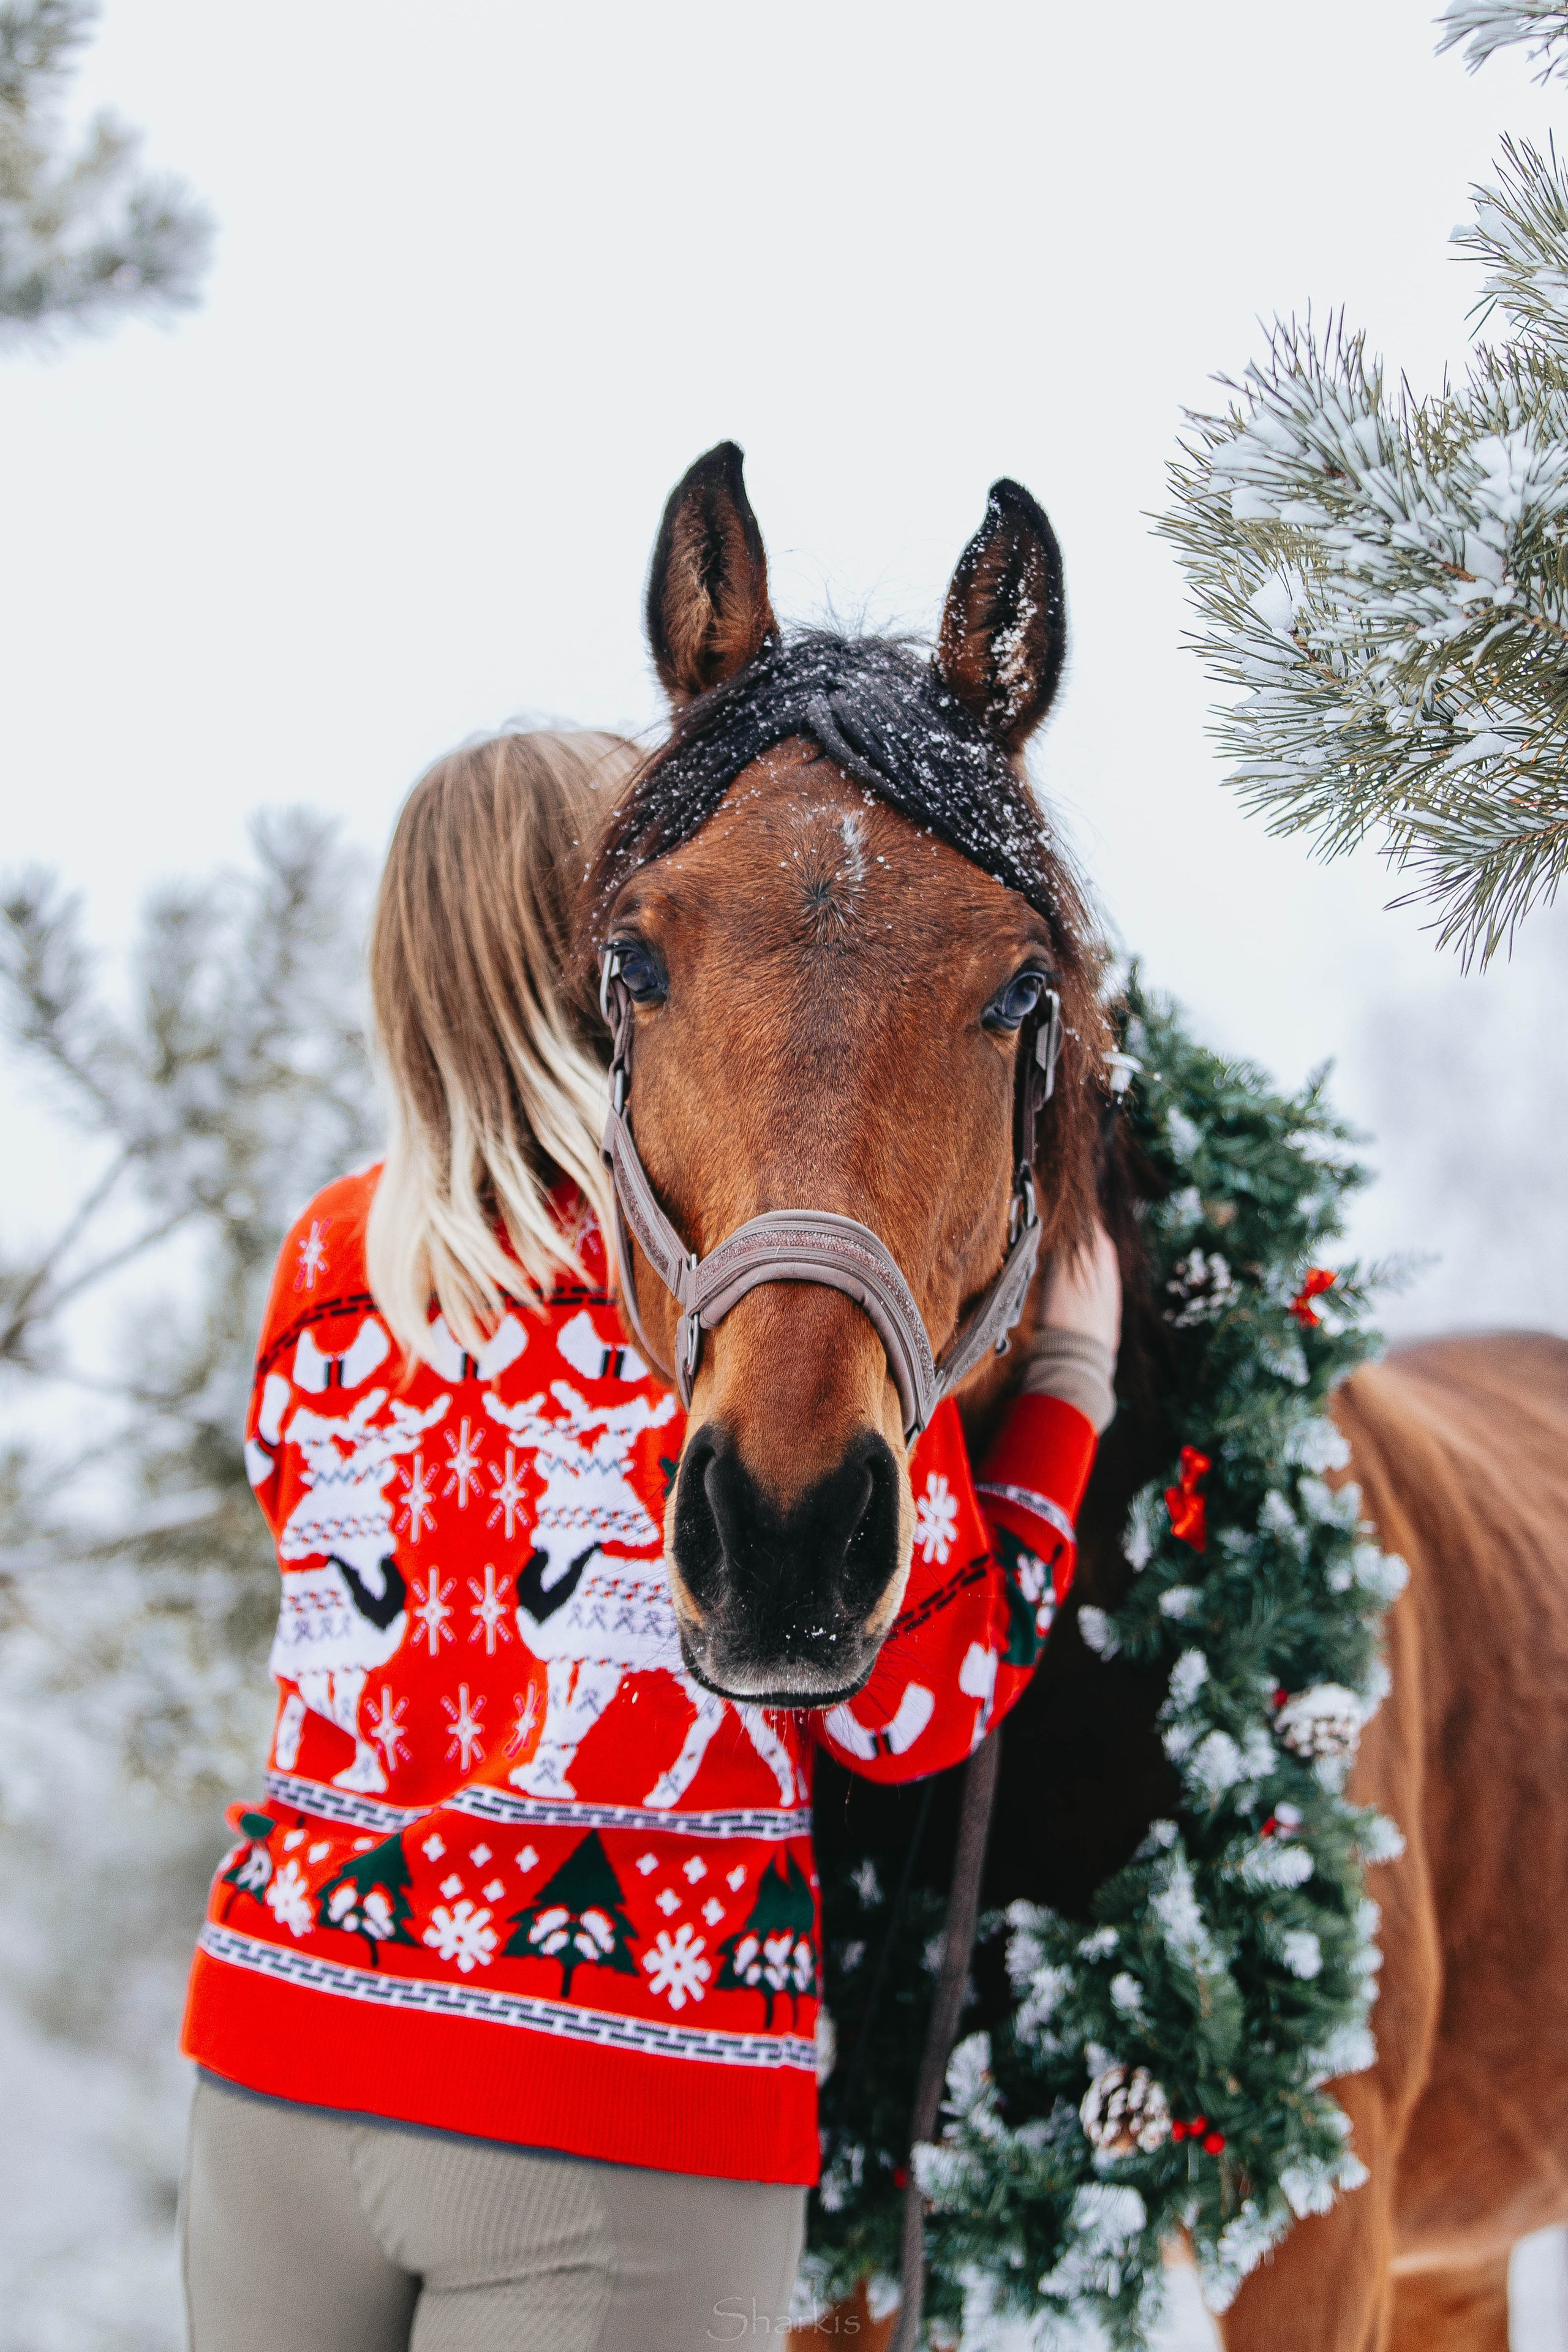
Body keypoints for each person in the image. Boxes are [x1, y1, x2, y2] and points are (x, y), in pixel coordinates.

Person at [178, 727, 1121, 2352]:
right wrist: (1068, 1394)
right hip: (617, 2079)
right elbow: (919, 1696)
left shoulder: (327, 1259)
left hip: (276, 2049)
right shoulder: (728, 1286)